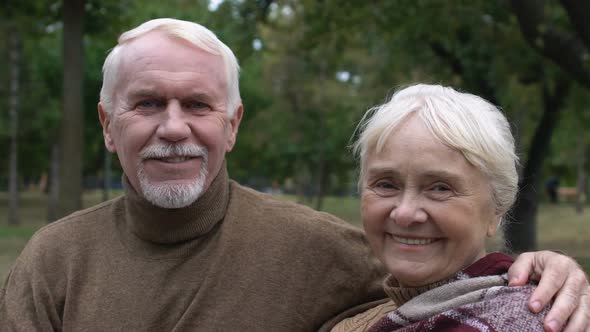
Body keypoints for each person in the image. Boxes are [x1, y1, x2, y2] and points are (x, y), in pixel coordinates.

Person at [0, 19, 588, 331]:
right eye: (148, 103)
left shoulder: (318, 249)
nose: (174, 127)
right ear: (107, 124)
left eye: (199, 106)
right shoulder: (54, 261)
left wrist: (539, 270)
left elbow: (439, 270)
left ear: (232, 125)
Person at [328, 84, 590, 332]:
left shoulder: (523, 319)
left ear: (497, 207)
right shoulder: (354, 304)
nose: (405, 213)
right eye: (386, 185)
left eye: (440, 188)